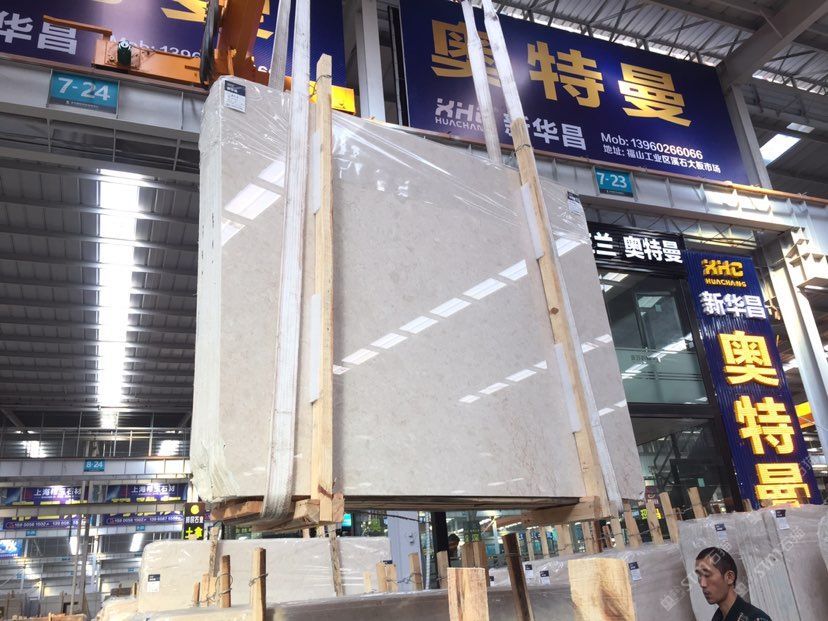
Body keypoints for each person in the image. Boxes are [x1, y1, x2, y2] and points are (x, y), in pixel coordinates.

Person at [694, 547, 771, 621]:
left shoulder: (755, 618)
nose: (702, 584)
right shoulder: (718, 617)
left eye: (707, 575)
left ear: (729, 577)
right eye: (699, 576)